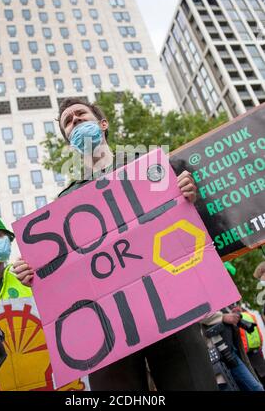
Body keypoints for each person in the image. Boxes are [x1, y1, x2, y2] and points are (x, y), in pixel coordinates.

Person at [13, 97, 218, 391]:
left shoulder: (150, 169)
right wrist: (33, 269)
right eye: (68, 122)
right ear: (70, 142)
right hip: (109, 329)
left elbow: (193, 230)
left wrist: (189, 197)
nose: (75, 122)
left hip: (172, 306)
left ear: (103, 124)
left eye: (80, 115)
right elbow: (66, 271)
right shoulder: (64, 205)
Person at [202, 306, 264, 391]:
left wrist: (231, 313)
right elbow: (197, 314)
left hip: (231, 349)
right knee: (256, 388)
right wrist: (222, 317)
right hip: (219, 354)